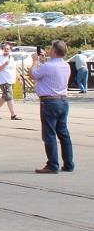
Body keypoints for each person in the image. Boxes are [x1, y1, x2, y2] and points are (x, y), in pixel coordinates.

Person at [30, 40, 74, 174]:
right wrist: (42, 62)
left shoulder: (48, 66)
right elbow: (47, 73)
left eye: (51, 49)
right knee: (63, 133)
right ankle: (68, 164)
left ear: (54, 51)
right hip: (62, 100)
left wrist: (35, 61)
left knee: (49, 134)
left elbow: (33, 74)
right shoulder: (66, 65)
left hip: (49, 101)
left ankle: (52, 164)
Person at [0, 43, 22, 120]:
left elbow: (14, 69)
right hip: (4, 80)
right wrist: (4, 64)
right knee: (9, 96)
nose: (6, 50)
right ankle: (13, 114)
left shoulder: (12, 58)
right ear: (2, 50)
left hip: (11, 80)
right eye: (5, 49)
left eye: (8, 49)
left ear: (10, 50)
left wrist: (18, 78)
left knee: (5, 97)